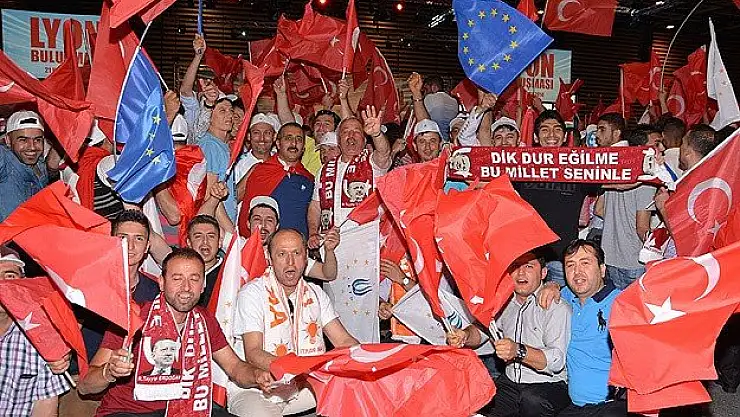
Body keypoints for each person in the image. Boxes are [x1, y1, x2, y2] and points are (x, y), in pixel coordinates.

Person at [78, 248, 273, 417]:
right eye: (177, 279)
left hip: (187, 408)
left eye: (194, 279)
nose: (186, 288)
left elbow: (235, 367)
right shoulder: (134, 318)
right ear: (161, 283)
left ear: (203, 285)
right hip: (129, 411)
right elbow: (85, 386)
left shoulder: (204, 319)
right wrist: (109, 371)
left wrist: (257, 375)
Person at [230, 229, 358, 417]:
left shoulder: (316, 293)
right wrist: (298, 367)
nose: (290, 262)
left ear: (305, 258)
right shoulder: (252, 293)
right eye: (282, 254)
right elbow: (253, 353)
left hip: (300, 388)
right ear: (270, 258)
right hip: (256, 390)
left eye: (296, 253)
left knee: (352, 388)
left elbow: (344, 341)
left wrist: (371, 360)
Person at [447, 251, 571, 417]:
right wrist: (465, 335)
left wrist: (518, 351)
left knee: (532, 401)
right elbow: (482, 330)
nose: (521, 272)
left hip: (548, 385)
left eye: (529, 266)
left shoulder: (556, 307)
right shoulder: (502, 303)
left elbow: (556, 361)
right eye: (515, 266)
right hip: (511, 382)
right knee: (476, 400)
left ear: (543, 273)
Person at [539, 240, 625, 417]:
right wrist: (551, 285)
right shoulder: (563, 298)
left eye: (585, 263)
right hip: (574, 406)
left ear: (602, 270)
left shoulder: (621, 304)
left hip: (612, 406)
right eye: (570, 265)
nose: (577, 272)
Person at [514, 110, 596, 287]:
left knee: (560, 303)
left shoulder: (579, 168)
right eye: (545, 130)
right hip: (529, 257)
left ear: (565, 136)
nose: (551, 135)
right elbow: (486, 175)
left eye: (557, 129)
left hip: (564, 258)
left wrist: (647, 168)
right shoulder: (523, 166)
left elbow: (617, 181)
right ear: (536, 137)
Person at [0, 245, 71, 416]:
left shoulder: (40, 336)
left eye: (10, 276)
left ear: (24, 283)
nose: (2, 285)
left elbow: (45, 409)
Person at [307, 106, 391, 243]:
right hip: (330, 242)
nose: (351, 135)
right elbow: (315, 205)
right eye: (345, 131)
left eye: (356, 131)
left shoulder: (372, 162)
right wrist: (313, 233)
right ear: (339, 140)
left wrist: (376, 134)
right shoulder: (324, 169)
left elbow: (384, 153)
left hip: (366, 241)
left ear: (364, 139)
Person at [597, 115, 656, 289]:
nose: (597, 135)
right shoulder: (645, 175)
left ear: (617, 133)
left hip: (608, 257)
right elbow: (642, 228)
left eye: (602, 129)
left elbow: (598, 209)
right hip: (633, 260)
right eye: (656, 144)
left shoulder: (610, 168)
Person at [238, 123, 315, 238]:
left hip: (298, 244)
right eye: (288, 138)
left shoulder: (309, 179)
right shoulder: (260, 171)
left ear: (303, 147)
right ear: (278, 143)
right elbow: (246, 212)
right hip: (264, 244)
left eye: (299, 139)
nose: (294, 144)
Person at [245, 196, 339, 281]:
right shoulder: (239, 249)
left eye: (269, 220)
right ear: (248, 224)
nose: (263, 225)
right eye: (257, 219)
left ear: (277, 226)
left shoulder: (288, 253)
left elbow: (327, 275)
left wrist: (329, 250)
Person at [1, 110, 57, 221]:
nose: (32, 147)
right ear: (8, 140)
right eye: (23, 140)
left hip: (38, 228)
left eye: (37, 140)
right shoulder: (5, 159)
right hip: (10, 231)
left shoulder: (39, 163)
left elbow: (49, 170)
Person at [198, 97, 237, 229]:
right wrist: (228, 230)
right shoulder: (210, 146)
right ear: (210, 116)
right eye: (222, 110)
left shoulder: (221, 145)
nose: (229, 115)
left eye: (231, 110)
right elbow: (210, 193)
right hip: (217, 225)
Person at [233, 113, 281, 186]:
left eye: (267, 133)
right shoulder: (238, 164)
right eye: (256, 133)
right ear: (249, 136)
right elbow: (235, 192)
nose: (262, 138)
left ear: (274, 136)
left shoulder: (281, 161)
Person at [186, 214, 223, 306]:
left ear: (219, 242)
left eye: (211, 236)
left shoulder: (230, 272)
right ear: (189, 243)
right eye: (198, 236)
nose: (205, 241)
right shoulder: (179, 270)